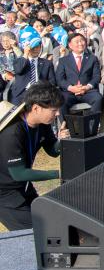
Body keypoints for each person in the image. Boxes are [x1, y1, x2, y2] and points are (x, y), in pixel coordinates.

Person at [0, 82, 67, 230]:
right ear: (36, 108)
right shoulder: (12, 133)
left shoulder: (43, 124)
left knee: (48, 225)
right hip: (5, 193)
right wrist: (59, 174)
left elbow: (52, 151)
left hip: (23, 187)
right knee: (34, 234)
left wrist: (63, 141)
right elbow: (19, 173)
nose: (57, 114)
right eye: (54, 110)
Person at [54, 32, 104, 135]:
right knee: (61, 100)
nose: (80, 43)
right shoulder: (63, 60)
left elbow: (96, 76)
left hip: (87, 91)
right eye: (77, 42)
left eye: (82, 41)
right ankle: (67, 129)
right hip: (70, 92)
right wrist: (71, 88)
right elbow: (60, 79)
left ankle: (92, 128)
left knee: (98, 98)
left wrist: (87, 87)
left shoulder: (92, 58)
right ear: (70, 45)